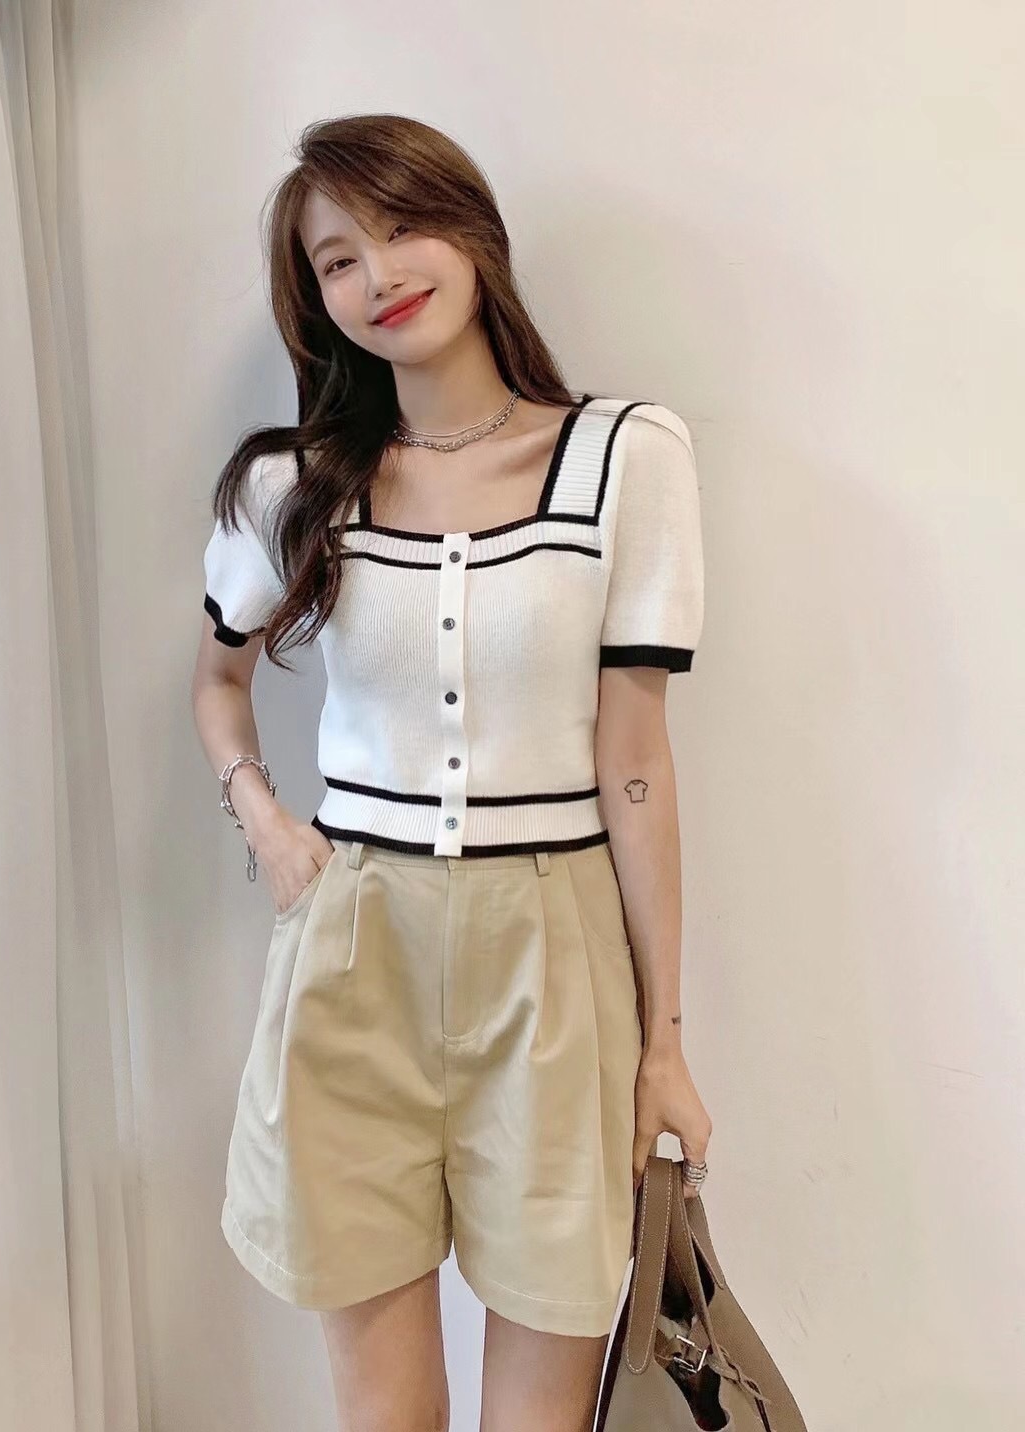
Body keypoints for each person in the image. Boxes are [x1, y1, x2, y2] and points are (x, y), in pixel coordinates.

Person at [191, 112, 712, 1432]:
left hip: (553, 956)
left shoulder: (624, 457)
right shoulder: (294, 486)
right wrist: (266, 822)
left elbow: (635, 762)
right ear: (314, 300)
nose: (378, 275)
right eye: (337, 260)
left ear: (473, 230)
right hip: (352, 947)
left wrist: (662, 1042)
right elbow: (216, 680)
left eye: (402, 227)